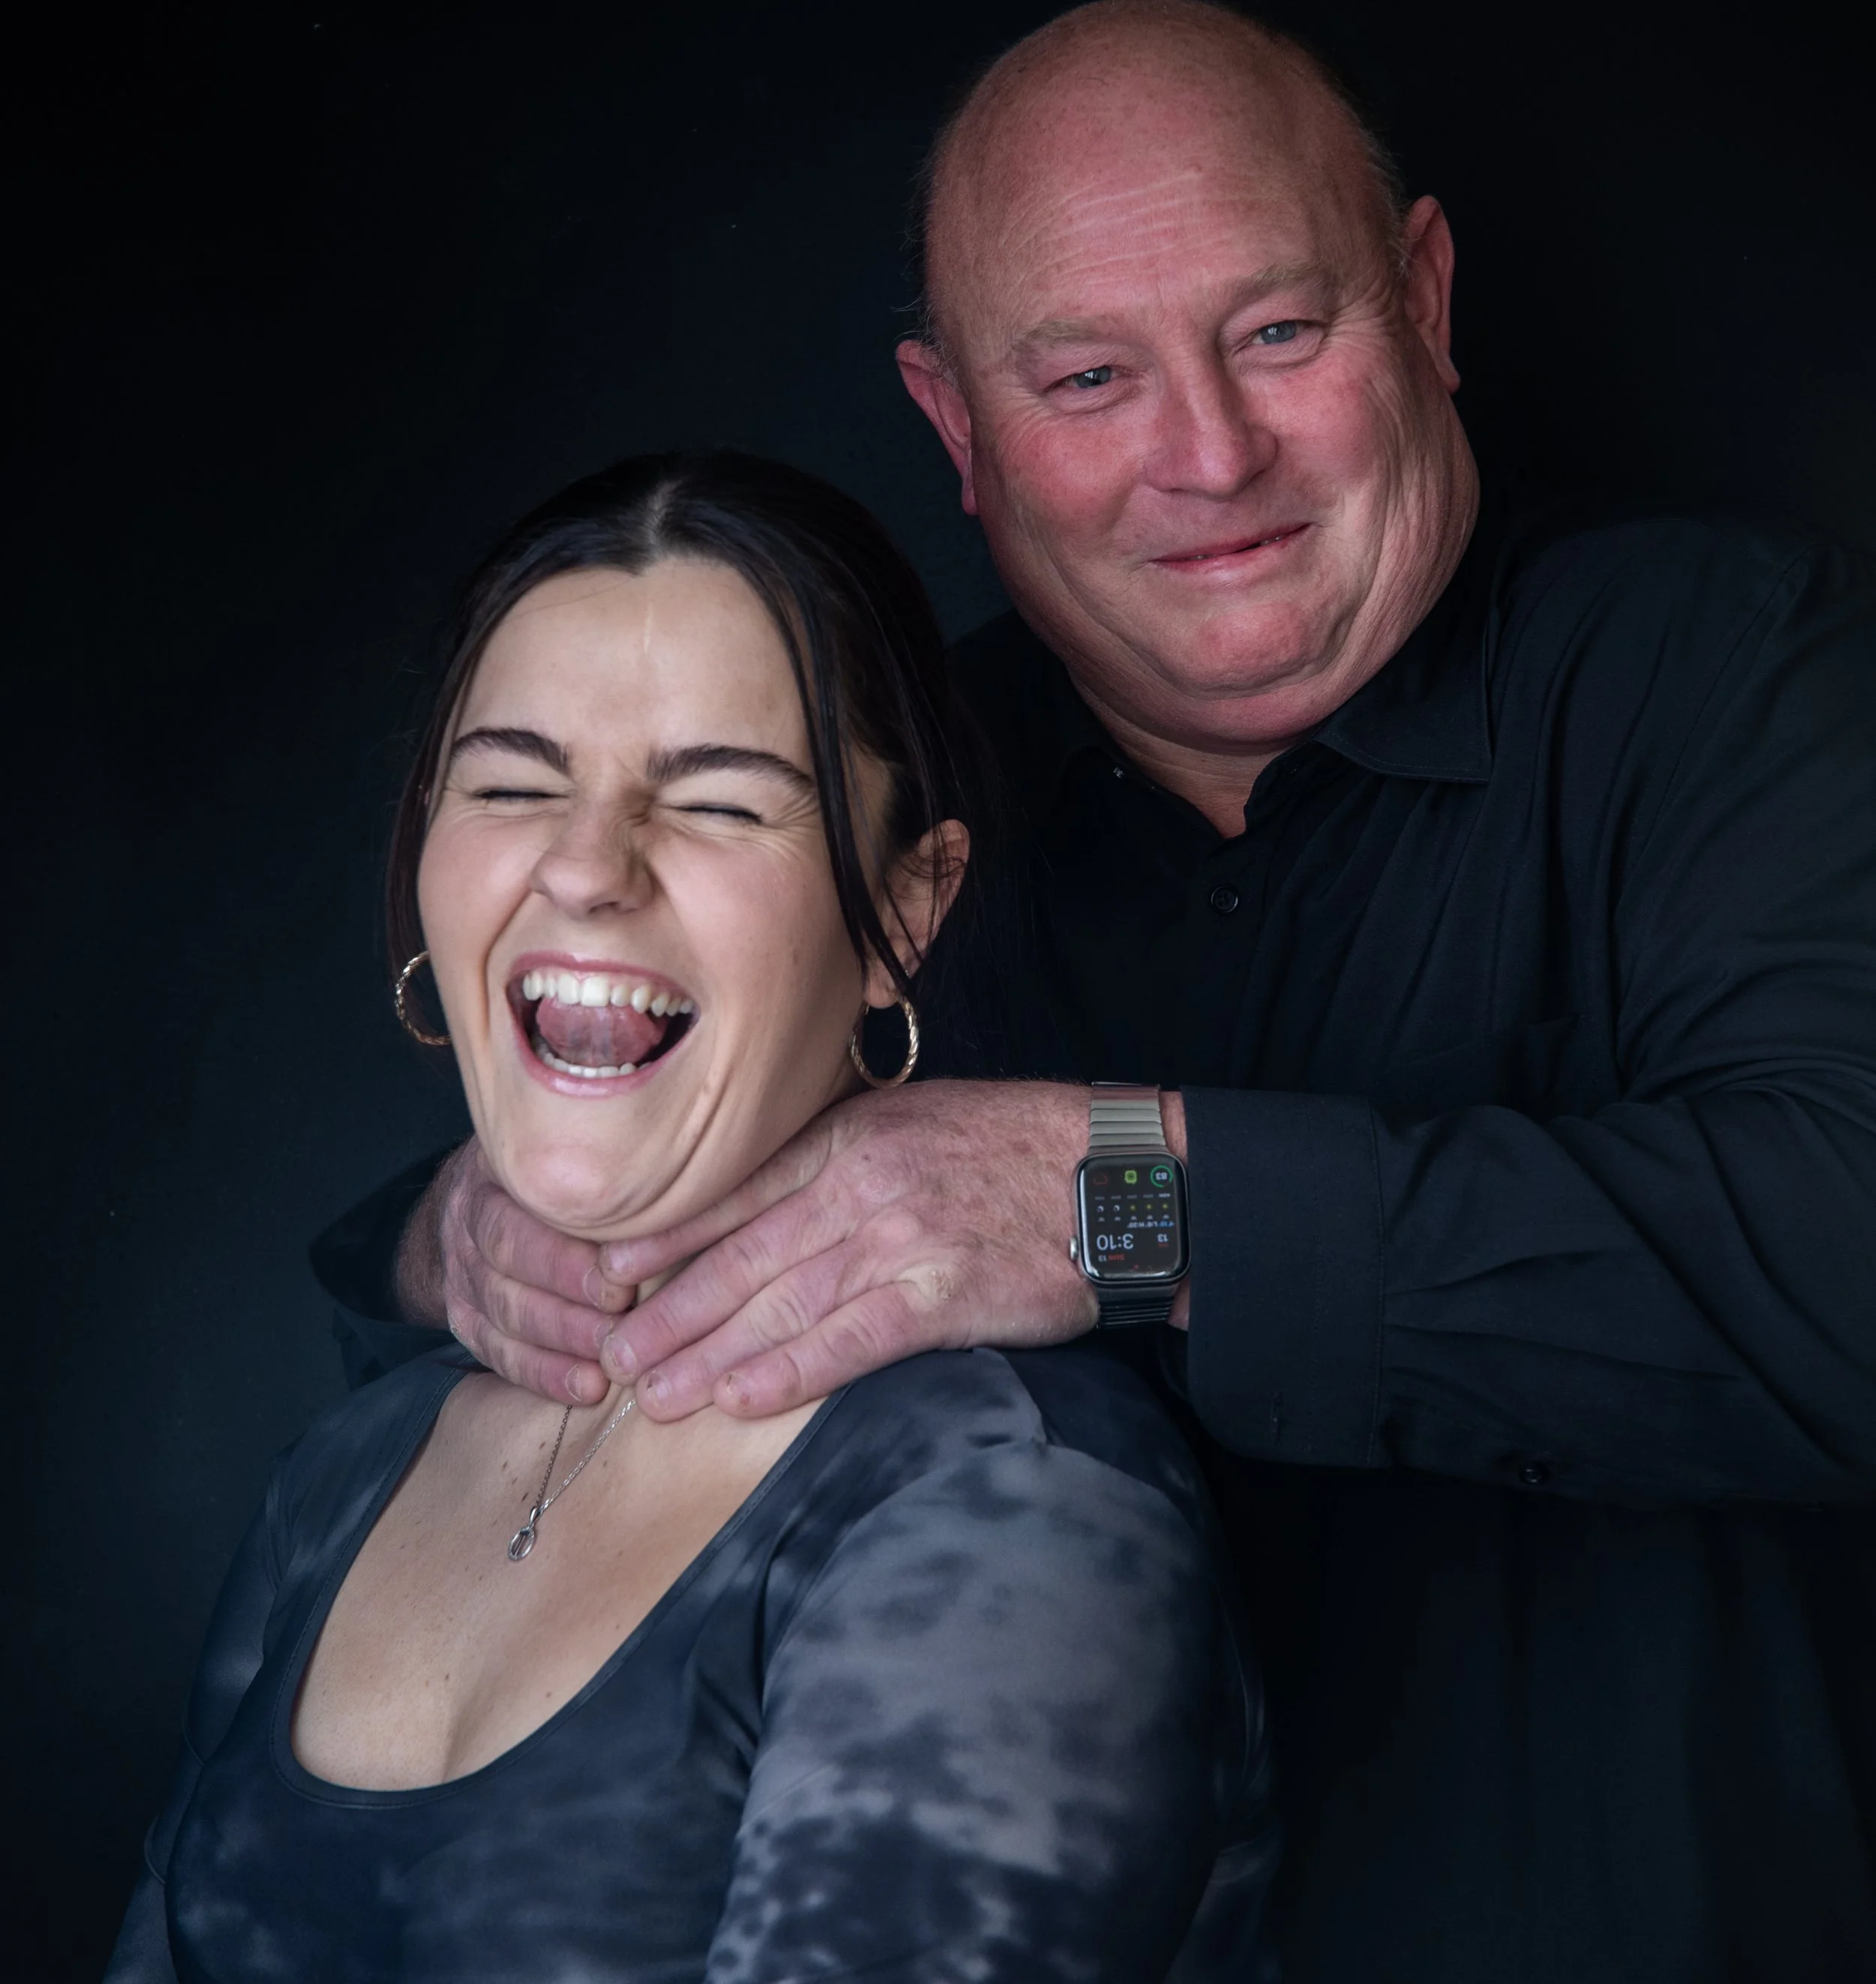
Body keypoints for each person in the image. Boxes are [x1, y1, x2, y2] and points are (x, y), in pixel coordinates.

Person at [316, 5, 1876, 1980]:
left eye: (1277, 332)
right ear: (955, 427)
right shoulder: (860, 811)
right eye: (1084, 377)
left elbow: (1837, 1268)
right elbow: (578, 1196)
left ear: (1421, 297)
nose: (1206, 455)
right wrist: (459, 1242)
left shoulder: (1737, 668)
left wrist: (1117, 1199)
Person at [108, 451, 1276, 1982]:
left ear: (905, 912)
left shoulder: (1008, 1496)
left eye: (719, 801)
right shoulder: (346, 1471)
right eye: (511, 784)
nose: (585, 869)